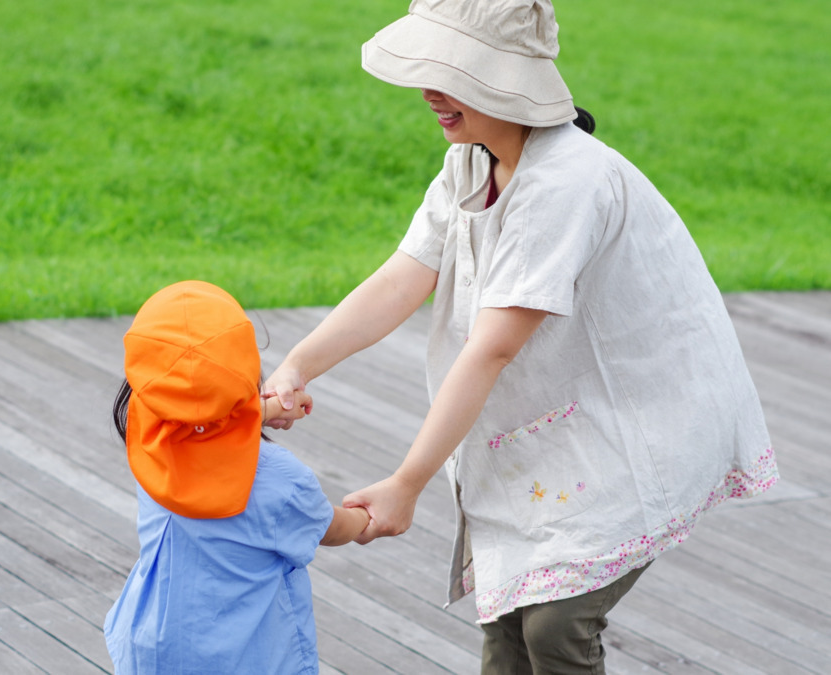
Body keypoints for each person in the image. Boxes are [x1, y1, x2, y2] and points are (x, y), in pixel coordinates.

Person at [263, 0, 778, 672]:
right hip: (554, 426)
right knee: (506, 619)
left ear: (501, 78)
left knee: (556, 625)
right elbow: (402, 278)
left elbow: (493, 346)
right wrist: (298, 364)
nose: (428, 91)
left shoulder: (565, 180)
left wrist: (407, 481)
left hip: (636, 421)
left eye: (447, 71)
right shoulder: (470, 166)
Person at [104, 280, 369, 675]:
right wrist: (368, 518)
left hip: (153, 650)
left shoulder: (150, 444)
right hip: (245, 658)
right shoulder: (281, 481)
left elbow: (190, 422)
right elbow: (334, 528)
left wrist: (254, 412)